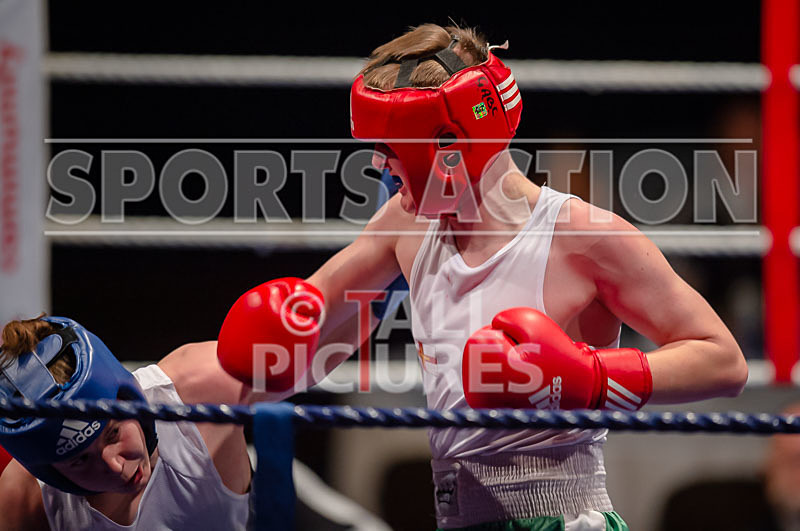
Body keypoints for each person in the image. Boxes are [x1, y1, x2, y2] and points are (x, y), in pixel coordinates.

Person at [215, 23, 749, 531]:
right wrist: (275, 348)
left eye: (393, 148)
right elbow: (308, 313)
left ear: (450, 146)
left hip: (565, 517)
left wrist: (588, 377)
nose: (380, 165)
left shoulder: (582, 235)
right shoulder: (405, 223)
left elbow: (723, 359)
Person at [0, 315, 257, 530]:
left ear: (127, 395)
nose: (115, 466)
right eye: (80, 460)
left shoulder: (202, 387)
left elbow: (295, 354)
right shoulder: (26, 501)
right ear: (50, 472)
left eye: (112, 433)